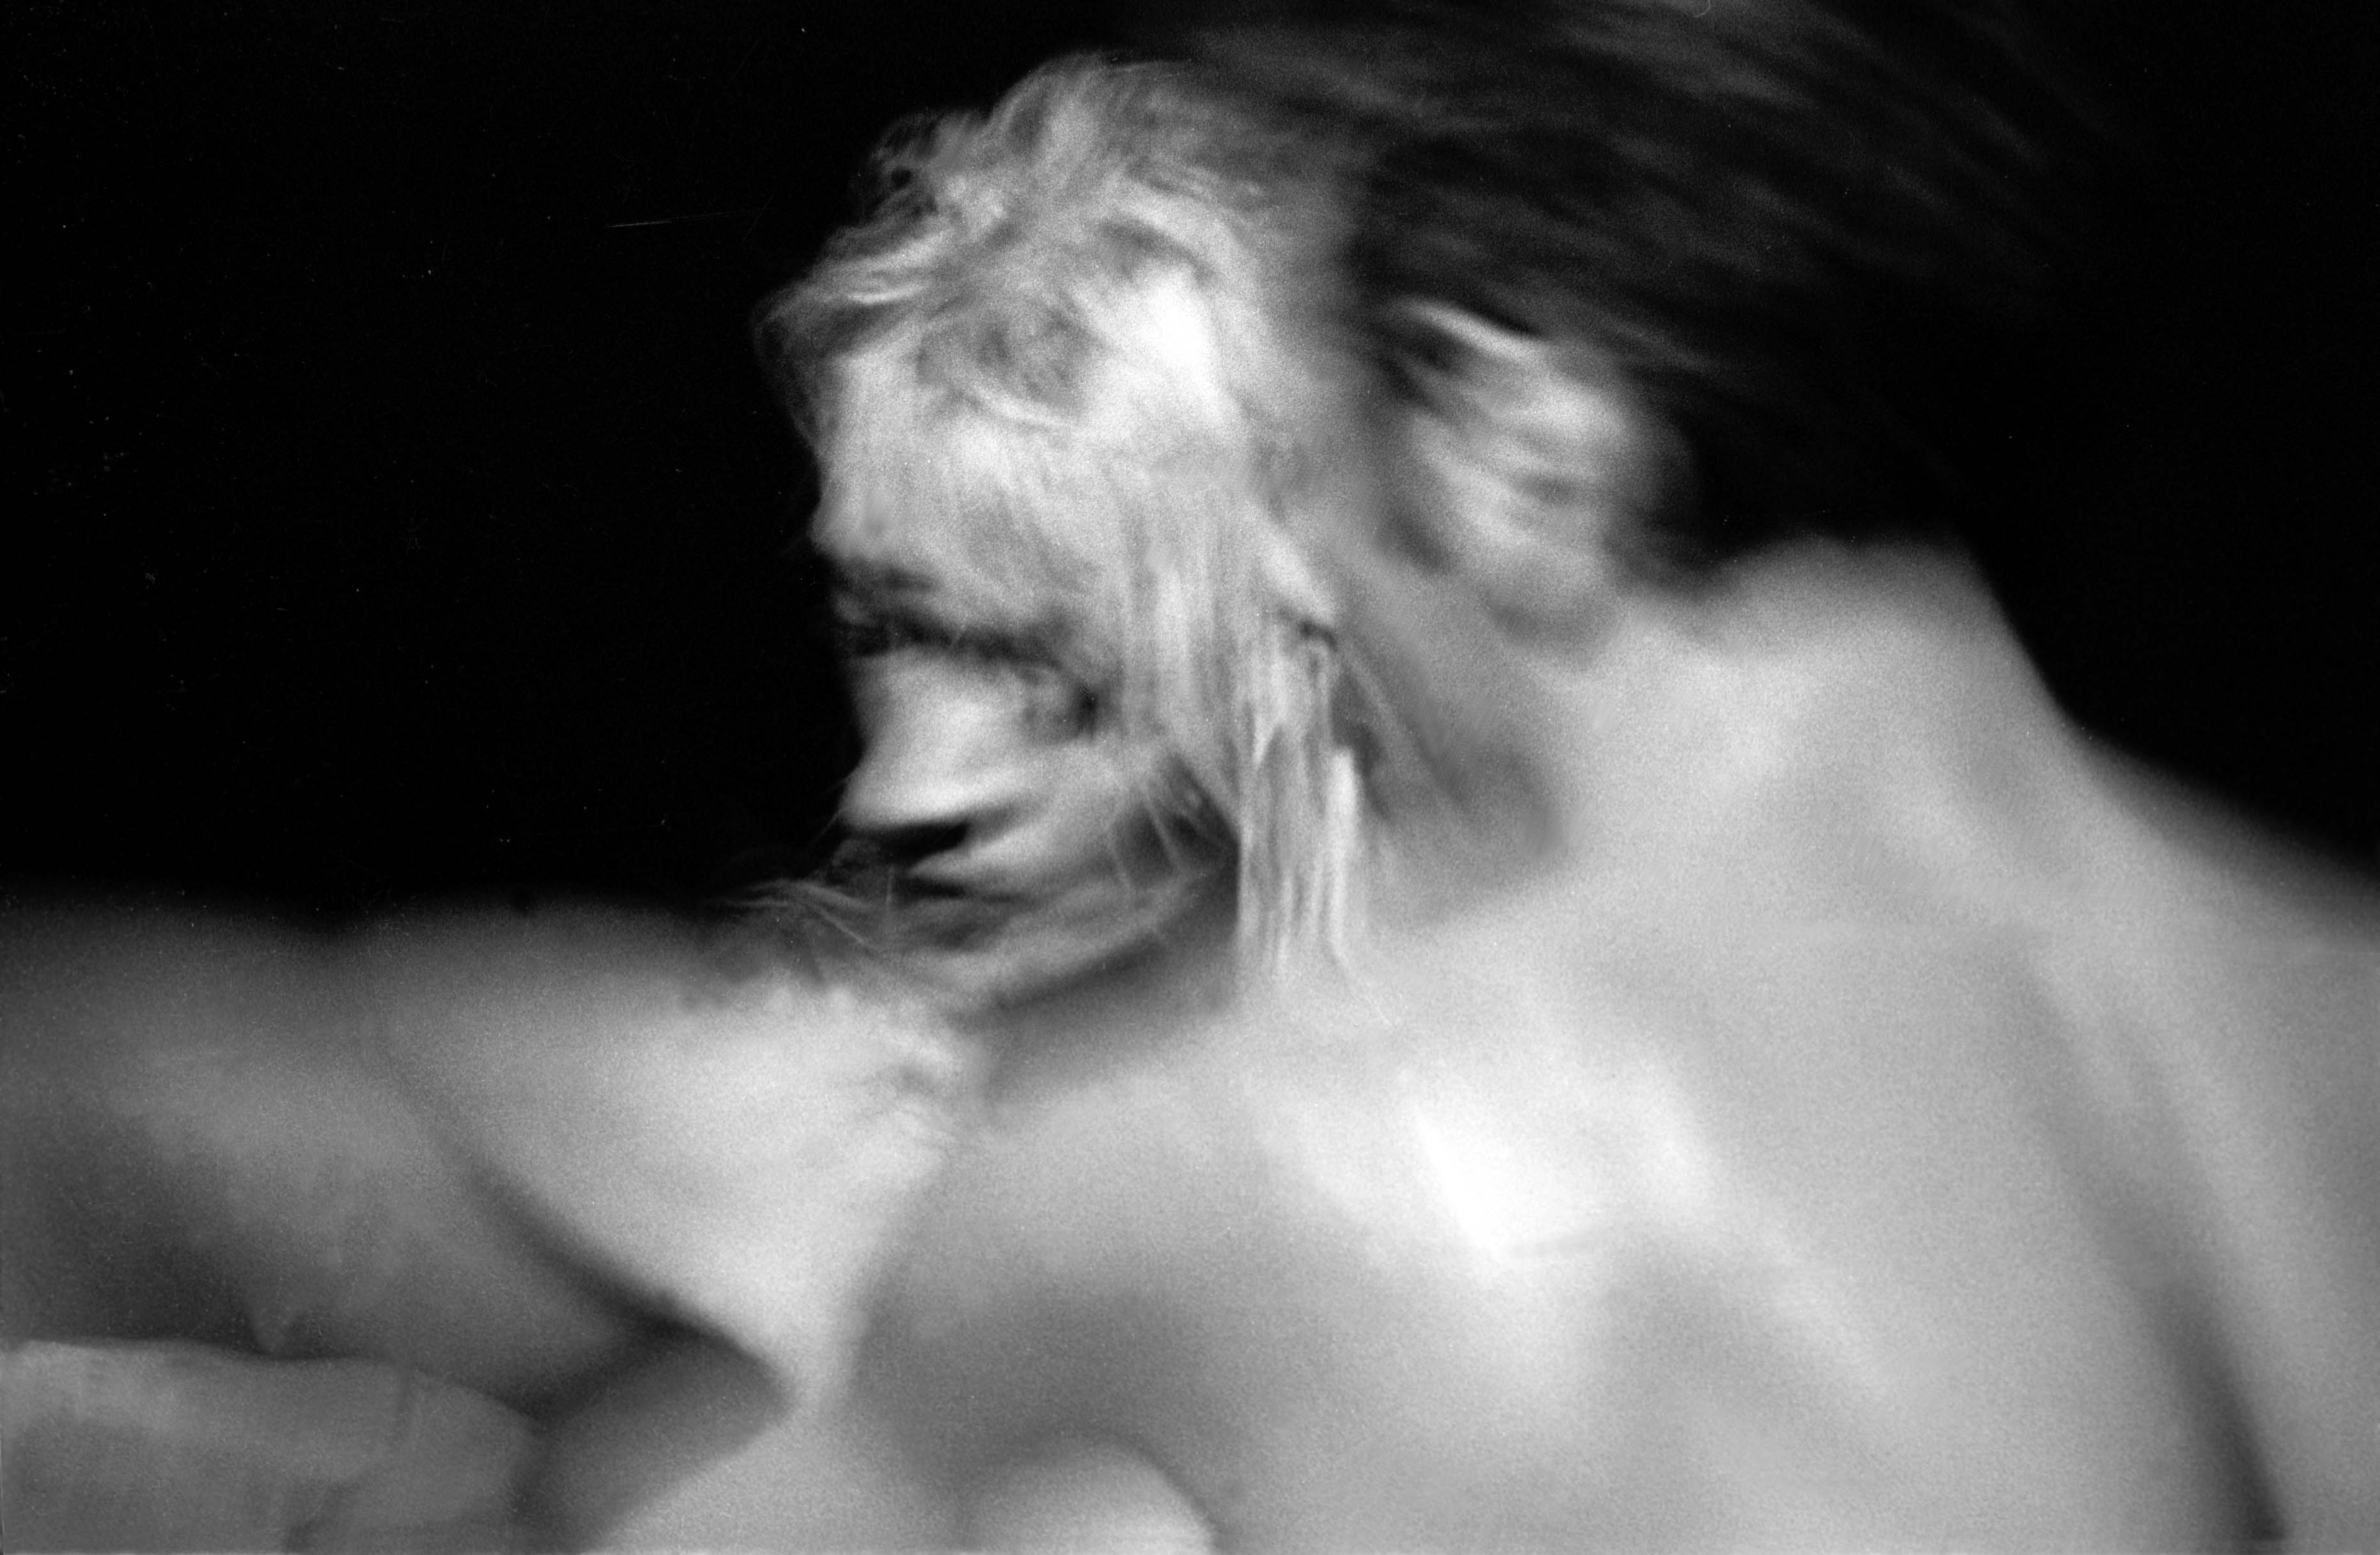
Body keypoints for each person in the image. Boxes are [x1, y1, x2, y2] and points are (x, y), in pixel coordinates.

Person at [690, 5, 2379, 1548]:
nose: (1301, 588)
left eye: (1309, 475)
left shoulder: (1239, 1168)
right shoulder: (2326, 1002)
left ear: (1523, 444)